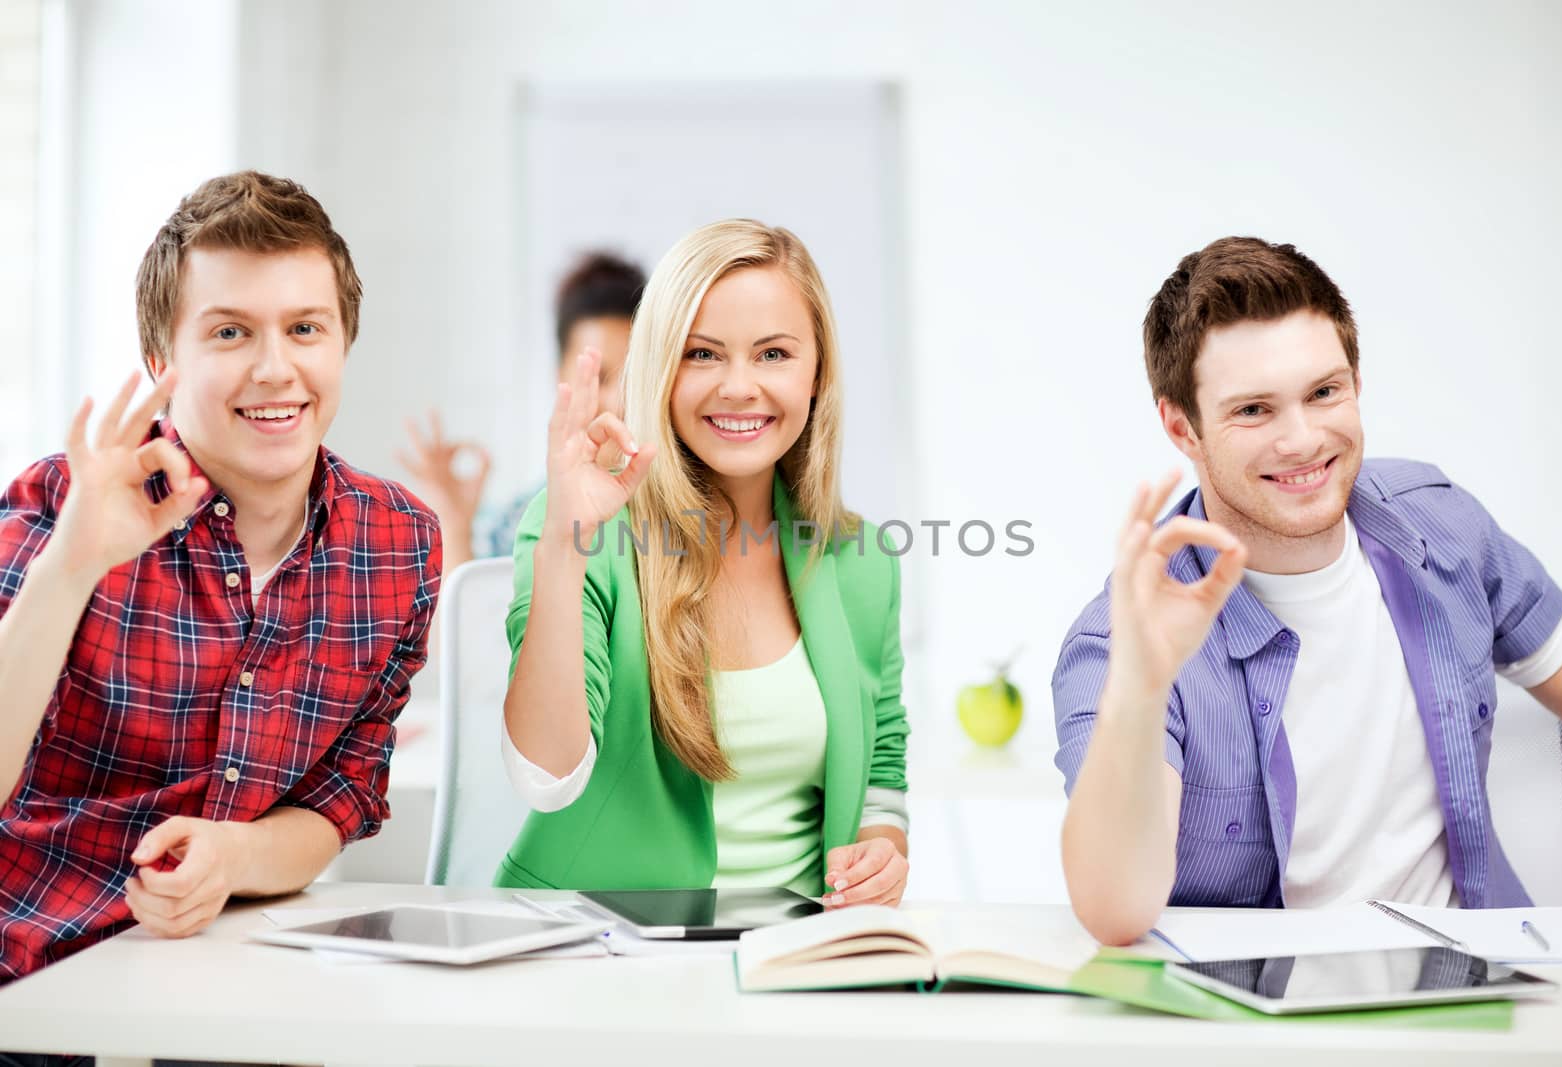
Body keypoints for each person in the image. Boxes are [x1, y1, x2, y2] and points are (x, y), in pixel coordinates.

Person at [1053, 236, 1562, 945]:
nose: (1304, 439)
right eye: (1254, 410)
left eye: (1323, 392)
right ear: (1181, 426)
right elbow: (1114, 910)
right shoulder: (1118, 643)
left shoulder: (1443, 526)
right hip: (1269, 1029)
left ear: (1356, 382)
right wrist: (1142, 683)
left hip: (1478, 996)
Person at [0, 171, 441, 989]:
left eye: (305, 328)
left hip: (233, 985)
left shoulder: (398, 542)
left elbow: (337, 796)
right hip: (31, 979)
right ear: (163, 358)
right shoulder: (68, 500)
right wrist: (69, 567)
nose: (276, 369)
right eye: (231, 333)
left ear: (343, 341)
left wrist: (233, 854)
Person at [496, 219, 910, 905]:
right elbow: (545, 773)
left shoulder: (861, 560)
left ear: (818, 374)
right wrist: (566, 549)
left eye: (774, 354)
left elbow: (882, 766)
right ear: (660, 368)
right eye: (702, 354)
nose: (740, 387)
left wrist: (883, 850)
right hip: (597, 947)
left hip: (797, 952)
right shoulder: (583, 523)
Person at [397, 252, 645, 579]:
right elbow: (472, 628)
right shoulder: (512, 526)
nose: (618, 400)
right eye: (597, 377)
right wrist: (455, 526)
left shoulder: (685, 518)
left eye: (634, 376)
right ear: (561, 378)